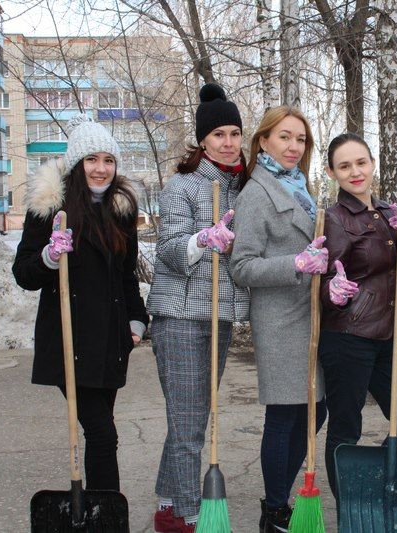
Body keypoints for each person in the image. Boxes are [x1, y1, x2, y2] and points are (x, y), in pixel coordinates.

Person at [12, 114, 148, 492]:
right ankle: (107, 516)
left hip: (109, 342)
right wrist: (49, 257)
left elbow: (126, 276)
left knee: (100, 432)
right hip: (69, 342)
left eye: (108, 160)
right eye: (92, 160)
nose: (101, 169)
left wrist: (136, 322)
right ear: (76, 164)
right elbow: (23, 273)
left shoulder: (120, 212)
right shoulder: (50, 209)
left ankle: (94, 510)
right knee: (103, 434)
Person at [146, 83, 250, 533]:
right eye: (218, 135)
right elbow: (167, 251)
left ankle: (169, 502)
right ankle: (190, 515)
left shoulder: (243, 188)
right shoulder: (182, 186)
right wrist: (201, 240)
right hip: (181, 317)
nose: (227, 143)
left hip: (219, 316)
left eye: (234, 133)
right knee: (190, 424)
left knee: (190, 417)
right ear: (202, 140)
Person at [230, 106, 328, 533]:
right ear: (264, 140)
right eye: (284, 137)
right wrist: (297, 263)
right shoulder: (255, 193)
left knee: (316, 410)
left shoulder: (300, 188)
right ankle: (273, 510)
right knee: (286, 416)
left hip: (310, 315)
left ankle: (279, 497)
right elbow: (242, 266)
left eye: (301, 139)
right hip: (279, 319)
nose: (293, 147)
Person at [318, 132, 397, 500]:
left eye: (361, 162)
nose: (355, 171)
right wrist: (332, 291)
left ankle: (370, 484)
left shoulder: (386, 213)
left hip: (385, 336)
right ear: (333, 172)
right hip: (348, 337)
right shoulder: (334, 218)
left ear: (372, 164)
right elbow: (327, 278)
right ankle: (350, 506)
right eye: (344, 166)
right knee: (347, 429)